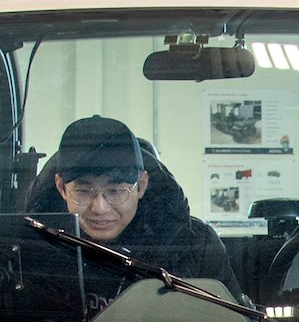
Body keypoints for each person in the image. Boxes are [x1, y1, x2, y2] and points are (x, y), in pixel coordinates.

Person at [25, 115, 238, 295]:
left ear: (141, 186)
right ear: (61, 188)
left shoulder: (197, 246)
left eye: (115, 191)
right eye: (83, 191)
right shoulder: (26, 246)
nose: (99, 208)